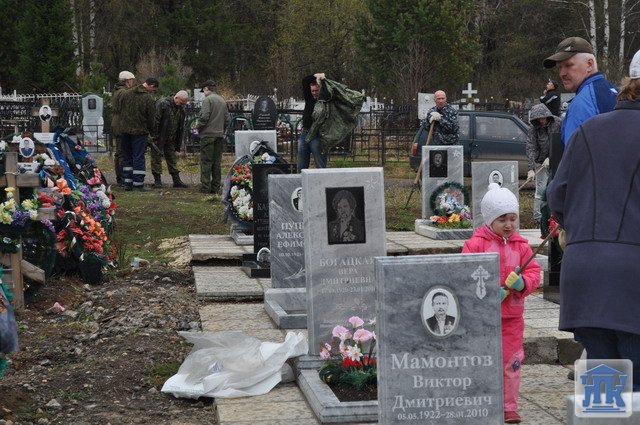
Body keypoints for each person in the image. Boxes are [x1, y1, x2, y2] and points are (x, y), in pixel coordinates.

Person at [547, 49, 640, 393]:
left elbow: (557, 196)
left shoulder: (588, 129)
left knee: (606, 400)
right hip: (632, 283)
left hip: (585, 279)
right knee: (636, 395)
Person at [462, 183, 541, 424]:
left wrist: (522, 283)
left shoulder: (521, 246)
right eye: (502, 219)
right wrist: (486, 293)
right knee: (482, 359)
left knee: (511, 361)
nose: (508, 224)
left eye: (512, 218)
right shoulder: (475, 245)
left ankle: (509, 406)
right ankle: (481, 401)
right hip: (482, 318)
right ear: (490, 220)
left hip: (512, 319)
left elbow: (534, 273)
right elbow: (463, 275)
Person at [543, 36, 618, 146]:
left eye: (568, 65)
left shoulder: (582, 103)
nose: (562, 73)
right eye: (559, 67)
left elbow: (574, 154)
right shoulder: (619, 93)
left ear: (589, 64)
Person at [118, 77, 158, 191]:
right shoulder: (147, 98)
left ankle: (127, 183)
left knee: (127, 156)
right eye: (154, 90)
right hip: (139, 131)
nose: (153, 92)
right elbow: (151, 117)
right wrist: (152, 131)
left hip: (125, 130)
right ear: (151, 85)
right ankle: (138, 184)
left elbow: (120, 110)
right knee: (138, 157)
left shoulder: (126, 93)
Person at [526, 104, 560, 226]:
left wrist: (551, 157)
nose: (541, 120)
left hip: (556, 160)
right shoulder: (533, 128)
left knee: (555, 187)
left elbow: (562, 140)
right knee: (540, 190)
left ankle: (554, 216)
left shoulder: (558, 123)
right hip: (540, 162)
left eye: (543, 118)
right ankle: (538, 218)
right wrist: (531, 168)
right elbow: (531, 147)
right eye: (538, 119)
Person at [197, 79, 229, 196]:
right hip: (219, 135)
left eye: (203, 91)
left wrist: (198, 127)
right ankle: (215, 187)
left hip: (207, 135)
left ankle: (205, 187)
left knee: (206, 162)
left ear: (206, 88)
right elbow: (227, 119)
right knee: (216, 162)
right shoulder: (222, 100)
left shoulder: (208, 100)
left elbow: (204, 117)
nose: (203, 93)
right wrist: (221, 130)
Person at [151, 90, 189, 188]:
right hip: (159, 137)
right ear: (176, 97)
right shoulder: (162, 104)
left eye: (183, 104)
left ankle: (176, 180)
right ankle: (157, 180)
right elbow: (155, 120)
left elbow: (180, 125)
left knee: (172, 158)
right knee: (156, 158)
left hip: (171, 138)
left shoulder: (180, 109)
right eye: (181, 102)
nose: (182, 105)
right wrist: (154, 136)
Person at [297, 73, 328, 170]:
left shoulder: (325, 100)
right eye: (312, 91)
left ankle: (321, 180)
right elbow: (305, 81)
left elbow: (330, 87)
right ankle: (301, 180)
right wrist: (315, 75)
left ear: (320, 89)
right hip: (305, 134)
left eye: (316, 90)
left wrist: (322, 78)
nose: (314, 93)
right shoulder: (309, 98)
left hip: (318, 135)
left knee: (320, 165)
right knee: (301, 165)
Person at [110, 70, 136, 186]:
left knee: (119, 152)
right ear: (127, 81)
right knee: (122, 152)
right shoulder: (124, 93)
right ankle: (122, 178)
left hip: (117, 122)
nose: (132, 82)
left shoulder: (117, 91)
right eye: (131, 80)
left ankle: (120, 177)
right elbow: (127, 109)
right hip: (121, 123)